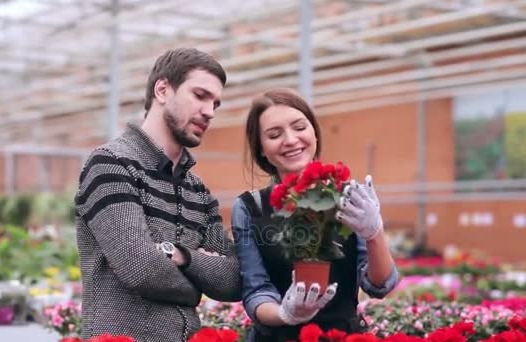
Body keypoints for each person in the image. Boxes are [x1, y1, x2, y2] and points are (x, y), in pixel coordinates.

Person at [74, 48, 242, 342]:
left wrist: (182, 256)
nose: (210, 112)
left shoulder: (198, 190)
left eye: (215, 103)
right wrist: (198, 283)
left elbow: (233, 280)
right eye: (200, 95)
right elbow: (141, 268)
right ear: (163, 90)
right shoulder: (111, 164)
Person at [231, 88, 399, 341]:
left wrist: (374, 232)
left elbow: (379, 285)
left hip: (342, 335)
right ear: (262, 149)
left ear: (314, 133)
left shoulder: (351, 198)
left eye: (299, 127)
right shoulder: (249, 208)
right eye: (274, 134)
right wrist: (286, 313)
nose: (290, 140)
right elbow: (257, 290)